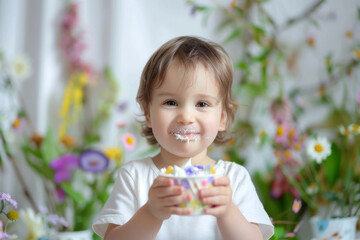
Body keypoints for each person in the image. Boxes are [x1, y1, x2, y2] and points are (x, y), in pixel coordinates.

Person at [92, 36, 274, 240]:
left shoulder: (233, 179)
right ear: (148, 113)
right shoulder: (134, 177)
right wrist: (151, 213)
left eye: (202, 104)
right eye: (171, 102)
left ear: (223, 117)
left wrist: (228, 211)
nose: (186, 117)